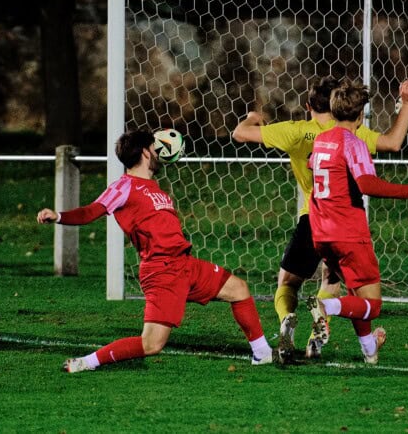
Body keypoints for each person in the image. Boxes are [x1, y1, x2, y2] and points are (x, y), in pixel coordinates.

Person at [37, 130, 274, 372]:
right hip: (162, 271)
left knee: (239, 289)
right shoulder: (124, 186)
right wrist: (59, 216)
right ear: (145, 152)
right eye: (155, 146)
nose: (160, 150)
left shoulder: (153, 187)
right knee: (151, 344)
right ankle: (86, 363)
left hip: (184, 264)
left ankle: (263, 353)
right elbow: (91, 211)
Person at [231, 76, 408, 361]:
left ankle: (286, 321)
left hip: (312, 219)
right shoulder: (351, 135)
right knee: (334, 282)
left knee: (287, 283)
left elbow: (240, 134)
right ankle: (319, 334)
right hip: (345, 221)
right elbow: (393, 143)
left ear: (308, 106)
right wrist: (406, 105)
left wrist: (252, 118)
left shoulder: (298, 131)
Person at [308, 82, 408, 363]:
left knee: (359, 295)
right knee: (374, 305)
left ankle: (370, 351)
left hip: (321, 233)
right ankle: (326, 307)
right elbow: (367, 184)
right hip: (349, 233)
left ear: (332, 113)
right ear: (360, 116)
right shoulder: (353, 143)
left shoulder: (321, 140)